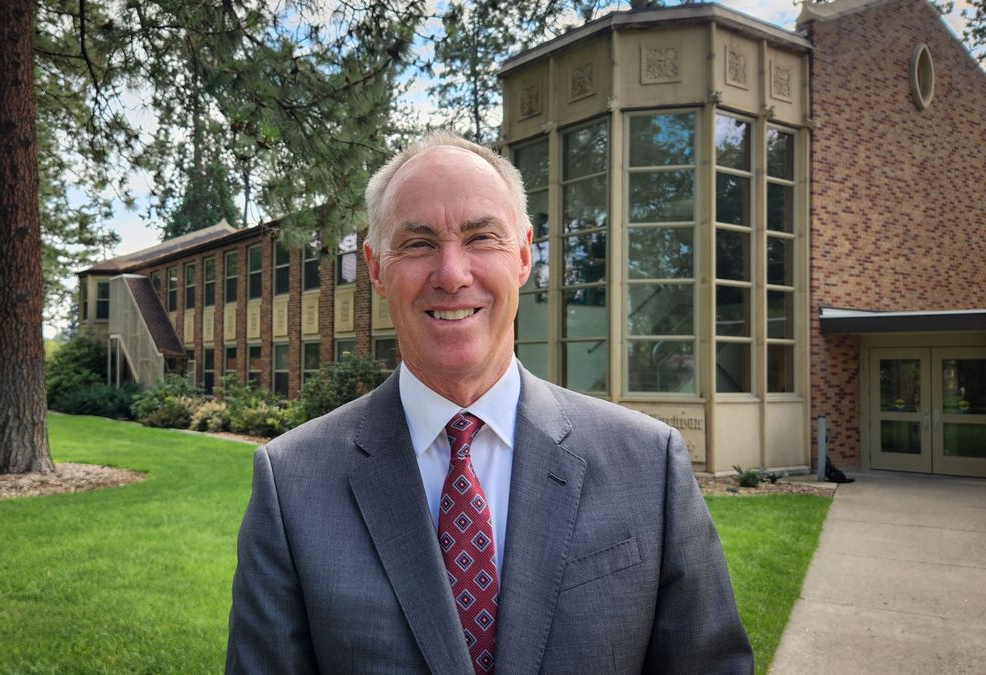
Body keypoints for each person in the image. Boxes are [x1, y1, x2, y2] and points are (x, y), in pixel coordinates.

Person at [226, 132, 753, 674]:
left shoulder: (647, 463)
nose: (452, 274)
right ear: (377, 269)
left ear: (523, 256)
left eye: (481, 238)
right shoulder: (291, 483)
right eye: (419, 243)